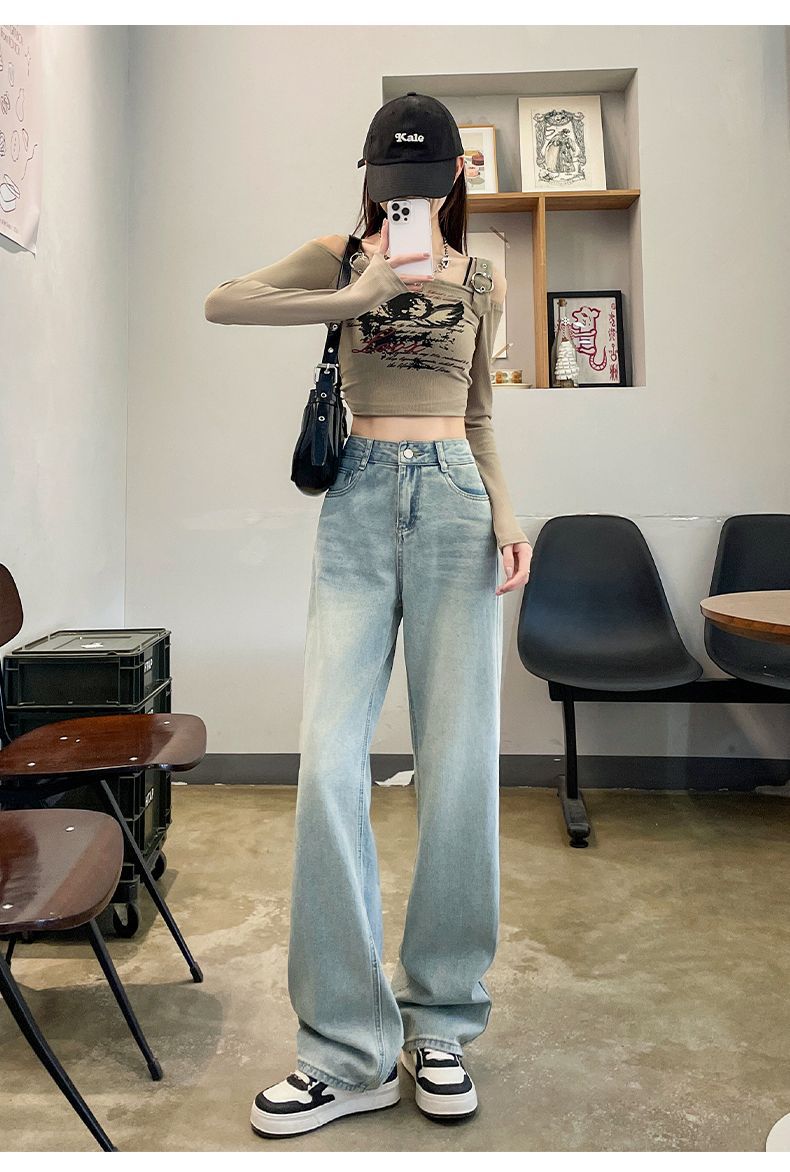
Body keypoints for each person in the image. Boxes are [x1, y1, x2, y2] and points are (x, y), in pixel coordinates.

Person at [204, 92, 532, 1139]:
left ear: (452, 178)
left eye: (418, 185)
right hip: (355, 502)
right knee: (328, 761)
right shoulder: (339, 254)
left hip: (455, 502)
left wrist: (508, 514)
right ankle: (346, 1048)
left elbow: (480, 411)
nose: (401, 202)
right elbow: (222, 301)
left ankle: (442, 1022)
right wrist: (359, 293)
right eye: (388, 186)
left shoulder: (483, 278)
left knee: (459, 763)